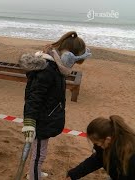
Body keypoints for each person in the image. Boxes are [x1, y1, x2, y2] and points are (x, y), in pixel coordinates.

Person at [20, 31, 89, 180]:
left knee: (39, 151)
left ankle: (35, 172)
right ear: (68, 55)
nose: (73, 64)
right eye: (74, 60)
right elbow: (34, 97)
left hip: (47, 116)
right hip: (40, 120)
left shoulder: (56, 67)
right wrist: (30, 122)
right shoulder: (48, 69)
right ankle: (33, 176)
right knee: (39, 153)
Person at [67, 115, 135, 180]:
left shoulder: (129, 156)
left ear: (108, 139)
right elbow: (96, 160)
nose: (96, 145)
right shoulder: (105, 146)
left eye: (97, 143)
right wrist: (73, 174)